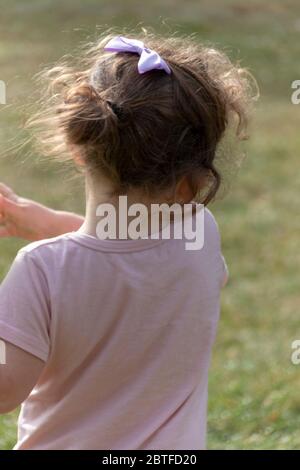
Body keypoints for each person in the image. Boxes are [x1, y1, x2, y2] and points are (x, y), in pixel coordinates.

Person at [0, 32, 252, 450]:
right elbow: (128, 256)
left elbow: (6, 391)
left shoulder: (42, 272)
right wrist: (48, 225)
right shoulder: (198, 233)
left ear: (78, 144)